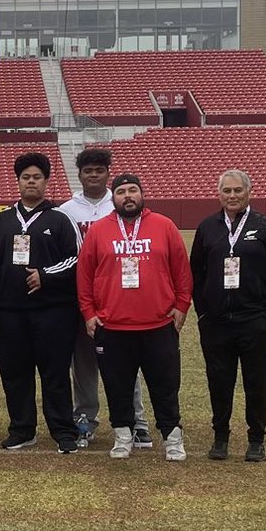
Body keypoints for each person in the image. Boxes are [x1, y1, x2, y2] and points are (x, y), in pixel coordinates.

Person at [77, 174, 193, 462]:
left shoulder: (164, 225)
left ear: (142, 194)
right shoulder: (98, 231)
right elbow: (85, 275)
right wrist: (89, 313)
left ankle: (172, 436)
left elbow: (181, 269)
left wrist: (181, 305)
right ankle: (123, 434)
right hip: (112, 325)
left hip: (158, 323)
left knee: (165, 385)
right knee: (118, 386)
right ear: (112, 197)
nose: (127, 196)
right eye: (120, 191)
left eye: (132, 190)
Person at [0, 152, 81, 453]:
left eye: (37, 177)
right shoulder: (0, 222)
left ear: (46, 181)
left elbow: (77, 260)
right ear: (19, 182)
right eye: (26, 177)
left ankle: (63, 431)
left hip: (53, 312)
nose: (31, 182)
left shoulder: (61, 219)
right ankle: (22, 429)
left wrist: (45, 275)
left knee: (55, 374)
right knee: (15, 374)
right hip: (10, 314)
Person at [190, 169, 266, 463]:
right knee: (219, 381)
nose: (232, 196)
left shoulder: (265, 226)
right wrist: (203, 312)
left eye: (237, 191)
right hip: (216, 322)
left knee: (256, 381)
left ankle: (256, 439)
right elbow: (196, 272)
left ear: (248, 193)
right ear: (218, 194)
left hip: (254, 321)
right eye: (227, 191)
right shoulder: (207, 227)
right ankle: (220, 437)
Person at [57, 148, 152, 448]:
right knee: (83, 364)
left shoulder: (123, 205)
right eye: (88, 171)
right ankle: (85, 418)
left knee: (127, 362)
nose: (94, 175)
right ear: (80, 175)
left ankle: (136, 420)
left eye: (99, 170)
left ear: (108, 173)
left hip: (119, 295)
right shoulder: (66, 211)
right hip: (81, 298)